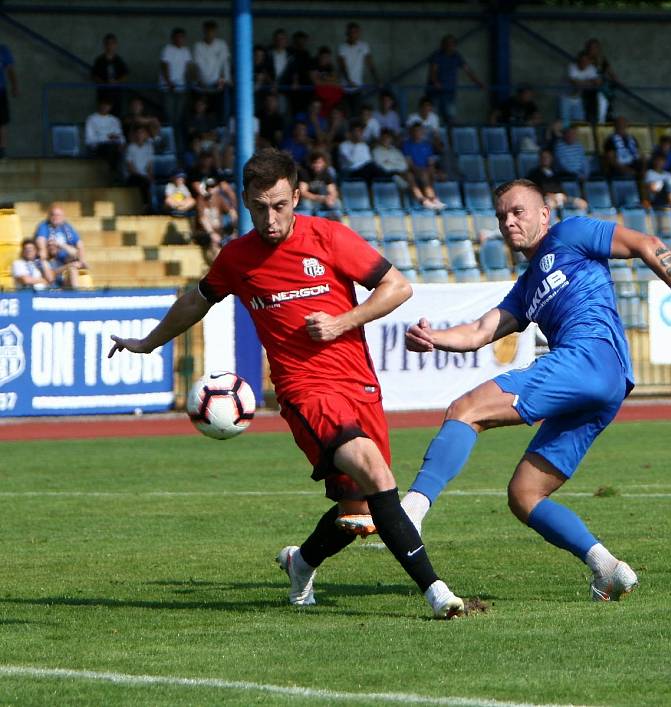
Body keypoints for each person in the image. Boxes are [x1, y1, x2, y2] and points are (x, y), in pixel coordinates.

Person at [107, 148, 465, 619]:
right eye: (258, 207)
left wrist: (343, 322)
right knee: (378, 476)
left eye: (279, 205)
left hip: (359, 385)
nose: (270, 218)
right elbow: (197, 301)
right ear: (244, 202)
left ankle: (301, 562)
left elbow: (397, 286)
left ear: (296, 196)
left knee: (358, 515)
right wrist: (149, 342)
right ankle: (437, 593)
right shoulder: (238, 257)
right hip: (305, 391)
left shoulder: (330, 237)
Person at [340, 178, 671, 602]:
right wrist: (435, 338)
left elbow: (647, 242)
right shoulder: (525, 287)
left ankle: (412, 510)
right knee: (524, 495)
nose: (508, 222)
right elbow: (482, 330)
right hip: (605, 385)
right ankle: (607, 568)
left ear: (544, 214)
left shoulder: (571, 233)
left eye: (517, 212)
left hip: (590, 357)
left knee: (466, 409)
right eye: (502, 216)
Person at [426, 34, 484, 124]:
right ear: (442, 44)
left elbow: (467, 70)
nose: (449, 46)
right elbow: (433, 70)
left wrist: (478, 82)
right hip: (435, 92)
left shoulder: (457, 56)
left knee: (450, 117)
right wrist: (435, 82)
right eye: (447, 44)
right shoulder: (437, 55)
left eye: (452, 44)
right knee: (433, 117)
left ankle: (449, 136)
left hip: (449, 92)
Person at [159, 27, 193, 153]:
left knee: (178, 120)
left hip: (181, 89)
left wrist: (191, 82)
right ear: (173, 38)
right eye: (177, 37)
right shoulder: (167, 49)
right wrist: (169, 82)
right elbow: (164, 65)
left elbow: (188, 68)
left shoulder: (186, 51)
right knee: (169, 118)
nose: (180, 39)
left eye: (182, 37)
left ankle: (179, 148)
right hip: (168, 89)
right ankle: (169, 148)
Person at [337, 22, 380, 116]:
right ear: (347, 34)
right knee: (346, 115)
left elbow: (370, 63)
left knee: (357, 115)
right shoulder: (342, 47)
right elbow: (343, 66)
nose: (354, 35)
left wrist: (377, 79)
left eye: (356, 32)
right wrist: (349, 81)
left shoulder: (364, 46)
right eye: (352, 32)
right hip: (344, 88)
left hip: (358, 88)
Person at [193, 20, 231, 122]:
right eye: (207, 31)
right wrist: (200, 81)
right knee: (201, 112)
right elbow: (197, 66)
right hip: (202, 87)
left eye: (212, 31)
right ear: (204, 31)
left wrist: (225, 79)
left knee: (219, 112)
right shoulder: (198, 46)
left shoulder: (222, 44)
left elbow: (225, 64)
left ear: (215, 32)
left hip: (218, 86)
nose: (210, 34)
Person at [33, 203, 87, 270]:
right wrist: (42, 250)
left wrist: (82, 260)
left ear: (63, 217)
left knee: (75, 261)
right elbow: (40, 239)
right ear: (49, 216)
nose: (55, 217)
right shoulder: (44, 225)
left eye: (58, 215)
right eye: (53, 215)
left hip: (66, 259)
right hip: (51, 258)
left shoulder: (67, 227)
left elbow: (79, 243)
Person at [90, 33, 129, 113]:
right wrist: (104, 84)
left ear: (115, 45)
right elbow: (94, 75)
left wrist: (116, 82)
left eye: (112, 43)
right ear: (104, 45)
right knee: (103, 116)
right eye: (107, 43)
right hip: (103, 95)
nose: (109, 46)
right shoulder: (99, 60)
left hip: (116, 95)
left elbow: (125, 75)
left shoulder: (119, 60)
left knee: (116, 116)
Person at [85, 97, 125, 173]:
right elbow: (90, 140)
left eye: (107, 105)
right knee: (112, 148)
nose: (105, 107)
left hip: (114, 145)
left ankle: (120, 176)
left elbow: (120, 136)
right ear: (99, 105)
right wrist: (107, 138)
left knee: (125, 149)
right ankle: (113, 174)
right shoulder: (91, 119)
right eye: (103, 105)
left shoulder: (114, 120)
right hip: (97, 147)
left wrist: (122, 143)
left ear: (111, 107)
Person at [298, 151, 342, 219]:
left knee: (337, 203)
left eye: (320, 163)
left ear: (324, 163)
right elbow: (303, 192)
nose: (317, 165)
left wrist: (331, 198)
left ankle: (336, 224)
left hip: (323, 199)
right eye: (315, 163)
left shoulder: (327, 173)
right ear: (311, 163)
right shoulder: (305, 173)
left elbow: (333, 190)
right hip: (311, 199)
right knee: (307, 205)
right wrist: (319, 198)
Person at [565, 51, 602, 125]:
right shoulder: (572, 66)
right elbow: (574, 82)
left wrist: (581, 82)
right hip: (566, 97)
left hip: (578, 98)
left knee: (579, 122)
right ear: (578, 60)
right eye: (582, 60)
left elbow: (598, 82)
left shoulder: (591, 68)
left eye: (586, 61)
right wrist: (590, 81)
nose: (584, 63)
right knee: (565, 120)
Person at [125, 126, 157, 212]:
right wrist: (142, 175)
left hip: (145, 176)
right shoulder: (130, 147)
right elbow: (130, 167)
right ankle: (146, 206)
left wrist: (150, 176)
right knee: (144, 182)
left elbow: (150, 165)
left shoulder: (149, 147)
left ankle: (149, 206)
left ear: (146, 135)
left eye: (142, 133)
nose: (140, 135)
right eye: (138, 133)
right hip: (133, 176)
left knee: (149, 182)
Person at [0, 42, 19, 159]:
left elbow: (11, 70)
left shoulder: (3, 50)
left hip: (0, 91)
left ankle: (1, 150)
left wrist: (15, 86)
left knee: (1, 121)